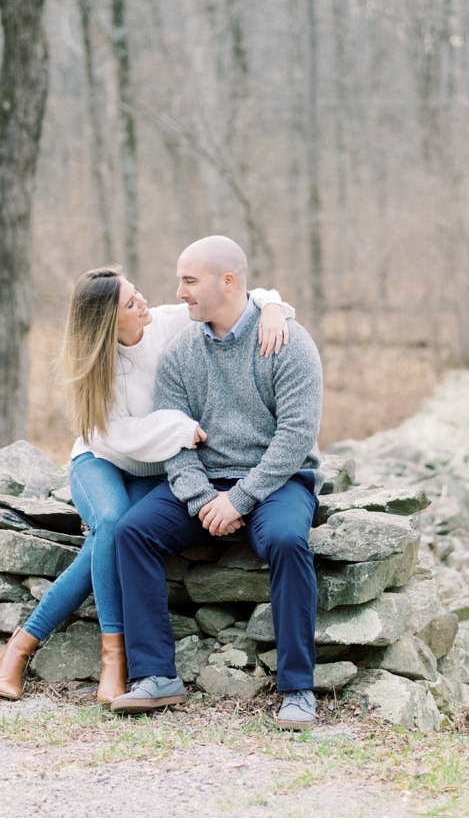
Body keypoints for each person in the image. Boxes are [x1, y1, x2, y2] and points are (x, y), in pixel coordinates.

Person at [0, 265, 295, 702]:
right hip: (103, 462)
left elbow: (242, 293)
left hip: (156, 471)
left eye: (137, 293)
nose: (144, 302)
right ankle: (96, 658)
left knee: (120, 536)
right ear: (108, 322)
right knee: (110, 524)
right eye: (131, 303)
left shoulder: (166, 323)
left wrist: (275, 309)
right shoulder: (98, 366)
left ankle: (22, 644)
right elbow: (119, 435)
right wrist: (180, 429)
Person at [109, 236, 325, 730]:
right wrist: (206, 498)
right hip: (205, 484)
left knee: (290, 542)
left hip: (277, 481)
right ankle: (155, 676)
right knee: (131, 532)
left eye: (190, 280)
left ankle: (297, 689)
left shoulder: (289, 342)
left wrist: (242, 499)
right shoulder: (182, 350)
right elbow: (175, 437)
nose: (180, 292)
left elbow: (295, 437)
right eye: (180, 281)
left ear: (227, 282)